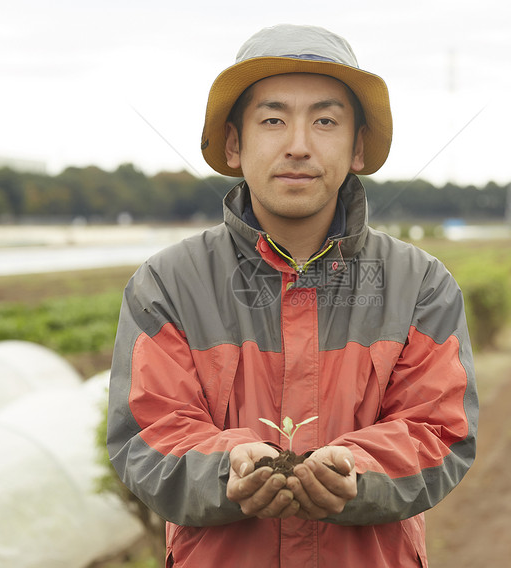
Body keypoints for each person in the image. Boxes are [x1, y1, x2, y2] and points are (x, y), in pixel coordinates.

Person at [107, 23, 478, 568]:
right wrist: (226, 467)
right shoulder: (167, 284)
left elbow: (441, 431)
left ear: (356, 146)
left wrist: (356, 471)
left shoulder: (420, 284)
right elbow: (148, 436)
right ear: (235, 144)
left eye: (325, 122)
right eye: (273, 120)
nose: (298, 145)